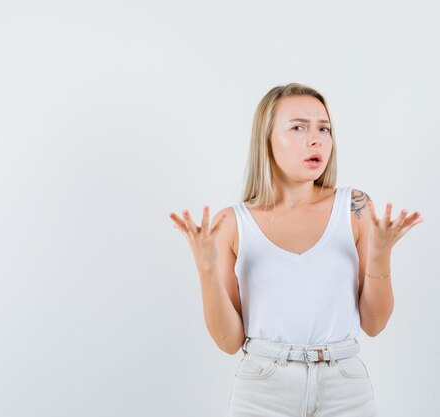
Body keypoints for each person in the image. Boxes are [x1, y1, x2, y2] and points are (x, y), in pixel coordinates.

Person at [169, 82, 424, 417]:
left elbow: (374, 324)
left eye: (324, 128)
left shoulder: (355, 208)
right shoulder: (232, 224)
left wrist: (380, 253)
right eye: (298, 128)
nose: (315, 138)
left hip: (345, 387)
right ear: (267, 141)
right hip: (262, 389)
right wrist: (205, 269)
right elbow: (229, 341)